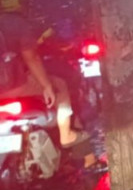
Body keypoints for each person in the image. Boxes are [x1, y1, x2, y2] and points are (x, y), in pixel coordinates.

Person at [0, 10, 96, 168]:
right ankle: (67, 135)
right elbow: (31, 58)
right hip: (13, 86)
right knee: (59, 87)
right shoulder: (14, 23)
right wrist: (46, 86)